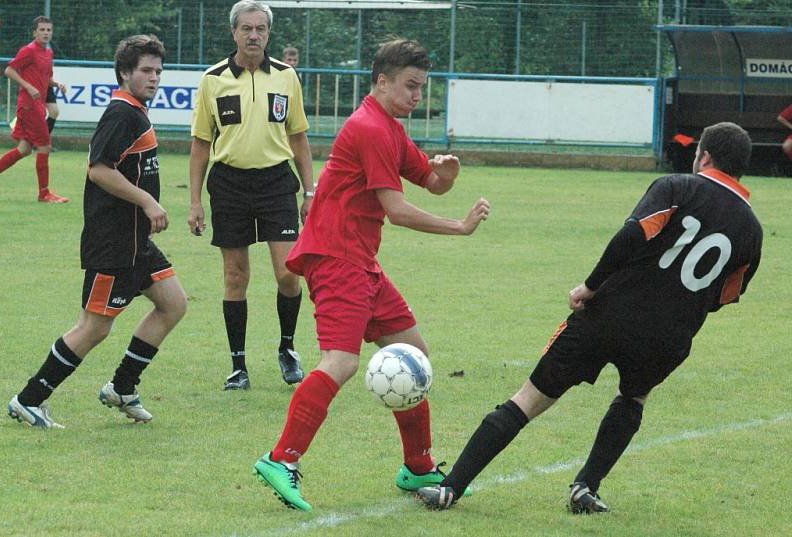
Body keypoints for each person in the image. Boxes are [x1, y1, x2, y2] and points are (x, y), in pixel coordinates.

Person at [416, 122, 763, 513]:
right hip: (668, 337)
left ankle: (452, 487)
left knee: (530, 398)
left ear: (705, 157)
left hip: (609, 314)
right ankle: (586, 487)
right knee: (633, 397)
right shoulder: (752, 230)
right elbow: (725, 295)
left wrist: (590, 286)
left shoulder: (678, 186)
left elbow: (631, 236)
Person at [253, 38, 491, 512]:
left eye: (422, 88)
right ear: (382, 81)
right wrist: (460, 228)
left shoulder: (389, 127)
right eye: (409, 86)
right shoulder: (369, 128)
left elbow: (431, 182)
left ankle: (418, 466)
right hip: (337, 258)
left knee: (415, 356)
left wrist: (449, 173)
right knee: (340, 362)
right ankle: (281, 460)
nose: (416, 96)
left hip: (361, 262)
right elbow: (398, 211)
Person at [7, 34, 187, 428]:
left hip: (138, 241)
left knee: (173, 303)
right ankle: (29, 399)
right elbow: (99, 169)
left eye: (158, 71)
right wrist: (147, 200)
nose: (154, 77)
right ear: (125, 73)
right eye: (145, 71)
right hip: (115, 242)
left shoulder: (137, 111)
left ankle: (122, 387)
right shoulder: (122, 113)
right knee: (94, 327)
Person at [188, 0, 314, 390]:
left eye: (260, 28)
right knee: (235, 276)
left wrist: (310, 191)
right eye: (246, 28)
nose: (254, 35)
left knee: (288, 272)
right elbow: (200, 145)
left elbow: (298, 137)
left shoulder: (286, 76)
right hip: (229, 185)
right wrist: (194, 201)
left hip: (277, 182)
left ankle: (287, 349)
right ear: (234, 33)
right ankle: (238, 366)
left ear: (268, 33)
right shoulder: (213, 79)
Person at [0, 16, 68, 202]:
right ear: (35, 32)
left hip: (36, 105)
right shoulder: (29, 50)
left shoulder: (48, 53)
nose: (45, 33)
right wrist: (29, 86)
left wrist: (56, 84)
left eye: (48, 30)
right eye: (42, 30)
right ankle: (44, 193)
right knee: (44, 146)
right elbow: (9, 70)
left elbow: (44, 78)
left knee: (24, 149)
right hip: (29, 105)